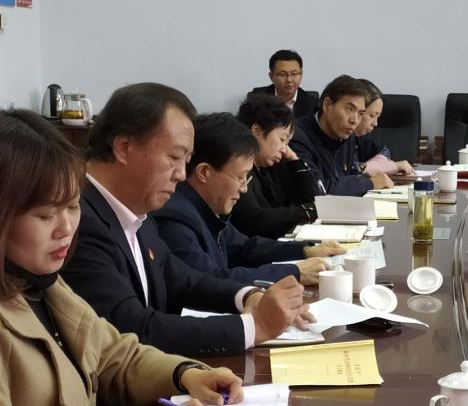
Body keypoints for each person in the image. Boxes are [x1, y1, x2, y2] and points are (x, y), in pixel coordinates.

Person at [0, 109, 245, 406]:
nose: (66, 228)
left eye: (72, 206)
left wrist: (186, 373)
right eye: (45, 214)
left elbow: (115, 354)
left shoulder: (43, 284)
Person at [61, 83, 312, 358]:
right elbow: (132, 328)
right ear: (124, 147)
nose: (182, 174)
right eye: (174, 157)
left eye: (186, 159)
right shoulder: (75, 220)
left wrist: (247, 296)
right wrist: (255, 327)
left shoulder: (136, 211)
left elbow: (181, 278)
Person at [152, 112, 346, 285]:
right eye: (240, 177)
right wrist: (293, 272)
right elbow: (209, 281)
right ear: (204, 172)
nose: (244, 188)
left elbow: (245, 247)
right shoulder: (176, 220)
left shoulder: (207, 208)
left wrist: (304, 250)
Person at [231, 93, 320, 239]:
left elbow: (313, 200)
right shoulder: (238, 168)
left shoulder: (273, 165)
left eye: (288, 143)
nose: (284, 149)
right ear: (257, 131)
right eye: (282, 139)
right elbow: (255, 219)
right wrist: (305, 211)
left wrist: (295, 160)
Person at [291, 74, 394, 196]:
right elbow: (318, 190)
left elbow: (349, 178)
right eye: (349, 109)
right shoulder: (296, 136)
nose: (355, 120)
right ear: (327, 105)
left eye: (360, 113)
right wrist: (369, 183)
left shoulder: (347, 137)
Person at [354, 79, 416, 177]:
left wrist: (371, 167)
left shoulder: (356, 139)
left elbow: (383, 150)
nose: (375, 123)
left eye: (377, 117)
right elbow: (350, 171)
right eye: (372, 115)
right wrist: (387, 167)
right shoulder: (341, 139)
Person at [247, 48, 319, 117]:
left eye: (294, 74)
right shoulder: (257, 98)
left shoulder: (312, 103)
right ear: (271, 76)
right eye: (282, 74)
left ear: (301, 75)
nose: (289, 80)